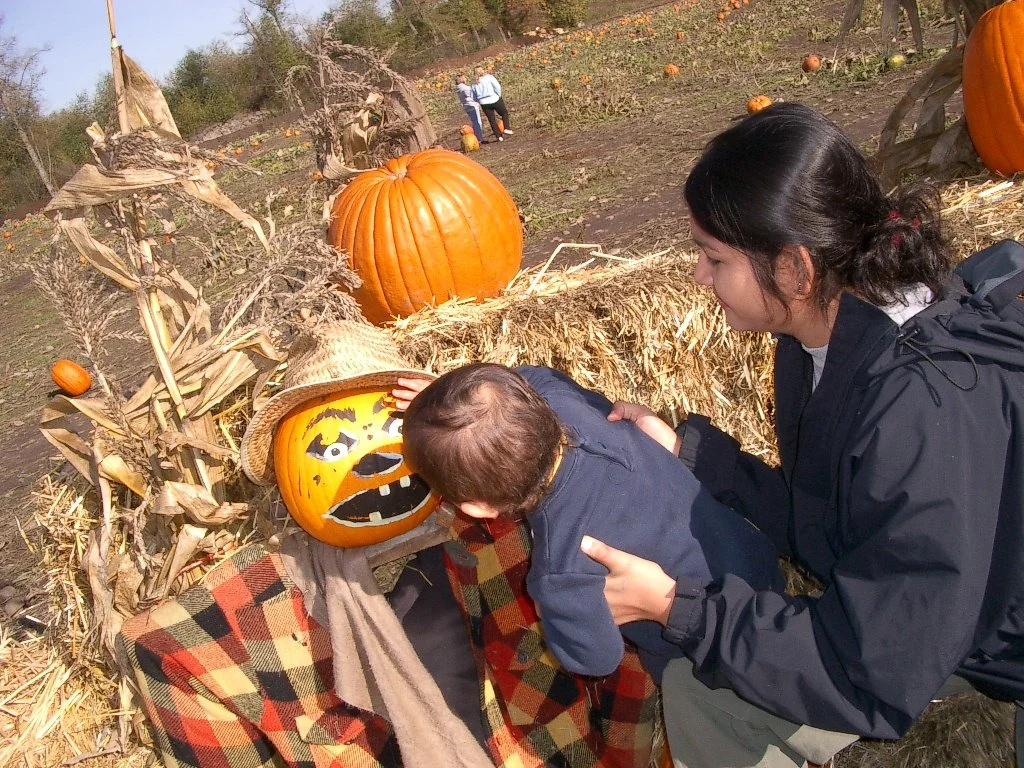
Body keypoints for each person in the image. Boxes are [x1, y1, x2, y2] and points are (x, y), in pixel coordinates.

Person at [575, 102, 1024, 768]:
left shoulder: (921, 411)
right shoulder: (820, 340)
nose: (699, 276)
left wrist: (675, 608)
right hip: (944, 620)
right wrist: (692, 457)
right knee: (704, 687)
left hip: (992, 646)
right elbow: (828, 518)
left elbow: (871, 670)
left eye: (714, 257)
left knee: (709, 689)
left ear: (795, 269)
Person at [397, 363, 784, 681]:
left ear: (479, 508)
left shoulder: (560, 570)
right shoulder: (567, 403)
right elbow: (531, 377)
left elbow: (595, 659)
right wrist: (455, 401)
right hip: (757, 567)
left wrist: (554, 615)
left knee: (684, 689)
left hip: (707, 650)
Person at [472, 66, 513, 142]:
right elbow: (497, 86)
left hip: (484, 103)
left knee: (492, 120)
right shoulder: (489, 77)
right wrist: (499, 95)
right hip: (494, 99)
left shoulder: (474, 84)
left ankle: (498, 136)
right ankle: (507, 128)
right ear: (482, 70)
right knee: (504, 113)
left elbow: (474, 97)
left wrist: (479, 101)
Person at [455, 74, 484, 144]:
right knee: (477, 122)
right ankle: (479, 138)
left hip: (467, 106)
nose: (466, 79)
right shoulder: (465, 88)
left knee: (474, 121)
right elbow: (472, 94)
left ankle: (478, 137)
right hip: (472, 105)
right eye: (465, 77)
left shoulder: (458, 88)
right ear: (462, 79)